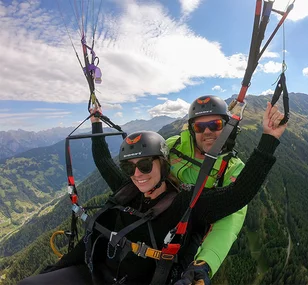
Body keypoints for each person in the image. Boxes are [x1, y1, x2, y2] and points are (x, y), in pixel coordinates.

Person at [16, 101, 286, 285]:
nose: (138, 173)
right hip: (94, 272)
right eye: (130, 167)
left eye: (145, 165)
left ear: (163, 164)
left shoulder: (184, 202)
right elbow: (102, 160)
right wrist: (96, 121)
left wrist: (269, 139)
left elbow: (239, 195)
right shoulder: (129, 189)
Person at [166, 95, 247, 284]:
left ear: (226, 127)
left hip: (193, 234)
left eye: (215, 124)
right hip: (161, 218)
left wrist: (205, 263)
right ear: (193, 130)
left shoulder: (231, 168)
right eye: (200, 127)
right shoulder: (173, 147)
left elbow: (231, 218)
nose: (207, 131)